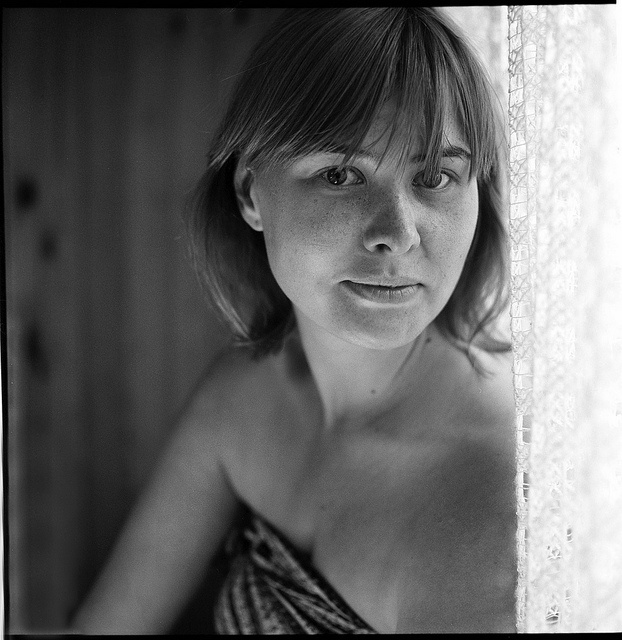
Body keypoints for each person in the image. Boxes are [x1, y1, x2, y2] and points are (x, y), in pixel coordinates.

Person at [73, 7, 516, 634]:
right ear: (250, 193)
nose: (397, 232)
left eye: (435, 176)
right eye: (340, 174)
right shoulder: (245, 396)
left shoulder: (488, 502)